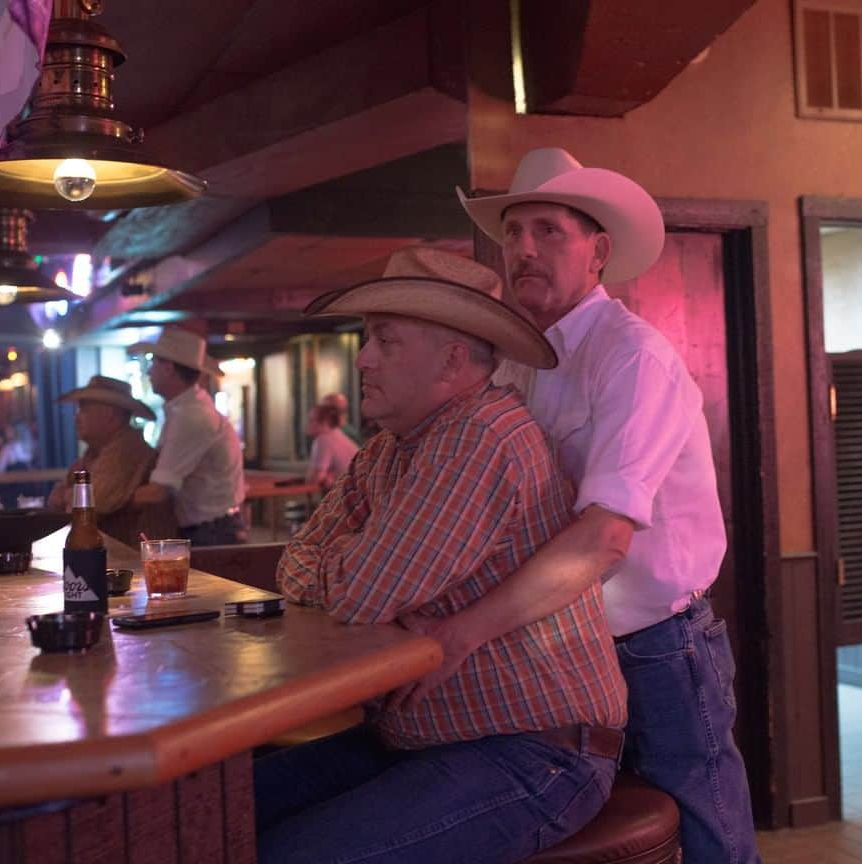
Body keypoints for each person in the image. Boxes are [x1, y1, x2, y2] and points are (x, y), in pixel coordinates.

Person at [390, 148, 759, 863]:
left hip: (657, 645)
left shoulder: (633, 357)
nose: (524, 248)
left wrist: (462, 633)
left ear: (599, 252)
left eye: (549, 231)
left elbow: (603, 542)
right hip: (568, 647)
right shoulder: (522, 359)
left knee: (711, 837)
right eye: (514, 231)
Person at [255, 247, 627, 864]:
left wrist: (347, 564)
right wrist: (351, 564)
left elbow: (359, 596)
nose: (363, 358)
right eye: (366, 339)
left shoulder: (478, 437)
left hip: (535, 752)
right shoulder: (389, 448)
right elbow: (295, 563)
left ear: (452, 358)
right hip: (418, 738)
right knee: (223, 812)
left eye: (385, 340)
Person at [130, 330, 247, 546]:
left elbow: (157, 492)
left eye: (152, 362)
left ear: (168, 368)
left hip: (211, 532)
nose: (148, 372)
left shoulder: (190, 416)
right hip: (214, 527)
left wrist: (105, 502)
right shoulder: (187, 409)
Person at [47, 376, 163, 546]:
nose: (76, 418)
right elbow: (55, 501)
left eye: (84, 410)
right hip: (111, 557)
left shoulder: (128, 451)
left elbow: (94, 504)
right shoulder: (94, 453)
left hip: (132, 561)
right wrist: (68, 496)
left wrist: (67, 494)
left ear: (110, 416)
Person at [304, 402, 358, 492]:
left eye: (311, 420)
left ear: (325, 423)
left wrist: (324, 477)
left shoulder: (323, 440)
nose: (307, 424)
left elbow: (314, 479)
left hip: (348, 496)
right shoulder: (338, 435)